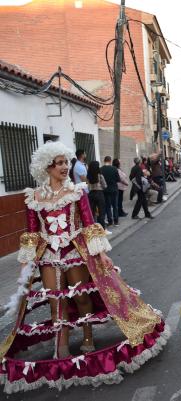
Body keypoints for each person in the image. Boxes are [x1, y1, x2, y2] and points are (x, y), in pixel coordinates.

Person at [1, 142, 168, 393]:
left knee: (81, 299)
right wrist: (25, 267)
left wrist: (101, 255)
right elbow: (32, 235)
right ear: (47, 167)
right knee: (56, 302)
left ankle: (88, 337)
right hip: (48, 256)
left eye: (66, 162)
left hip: (74, 252)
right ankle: (63, 347)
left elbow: (90, 225)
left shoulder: (77, 192)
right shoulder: (34, 198)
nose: (65, 167)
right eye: (59, 163)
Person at [100, 156, 120, 227]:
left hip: (105, 190)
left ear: (104, 161)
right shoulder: (114, 168)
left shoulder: (101, 169)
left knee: (107, 206)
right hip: (114, 189)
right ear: (110, 161)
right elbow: (118, 179)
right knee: (115, 206)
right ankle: (116, 221)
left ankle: (110, 221)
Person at [86, 160, 107, 228]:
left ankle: (93, 227)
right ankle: (102, 227)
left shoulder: (88, 176)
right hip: (99, 193)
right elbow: (105, 186)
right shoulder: (100, 175)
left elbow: (88, 186)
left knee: (92, 212)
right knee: (101, 212)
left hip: (91, 194)